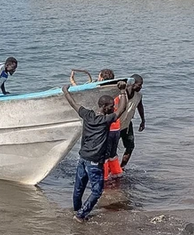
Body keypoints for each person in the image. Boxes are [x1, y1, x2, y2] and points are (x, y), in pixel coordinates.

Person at [62, 82, 128, 222]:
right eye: (111, 106)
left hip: (83, 158)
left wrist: (65, 91)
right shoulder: (105, 120)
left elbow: (74, 104)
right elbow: (122, 109)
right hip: (94, 162)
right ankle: (80, 215)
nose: (113, 108)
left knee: (78, 188)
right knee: (97, 191)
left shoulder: (87, 115)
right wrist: (122, 91)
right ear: (104, 107)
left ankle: (76, 209)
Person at [118, 75, 146, 168]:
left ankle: (122, 167)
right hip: (115, 126)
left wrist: (143, 120)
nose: (140, 87)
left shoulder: (139, 96)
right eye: (139, 85)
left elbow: (140, 106)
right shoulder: (120, 93)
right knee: (111, 149)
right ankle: (109, 168)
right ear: (132, 84)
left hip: (127, 125)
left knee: (130, 147)